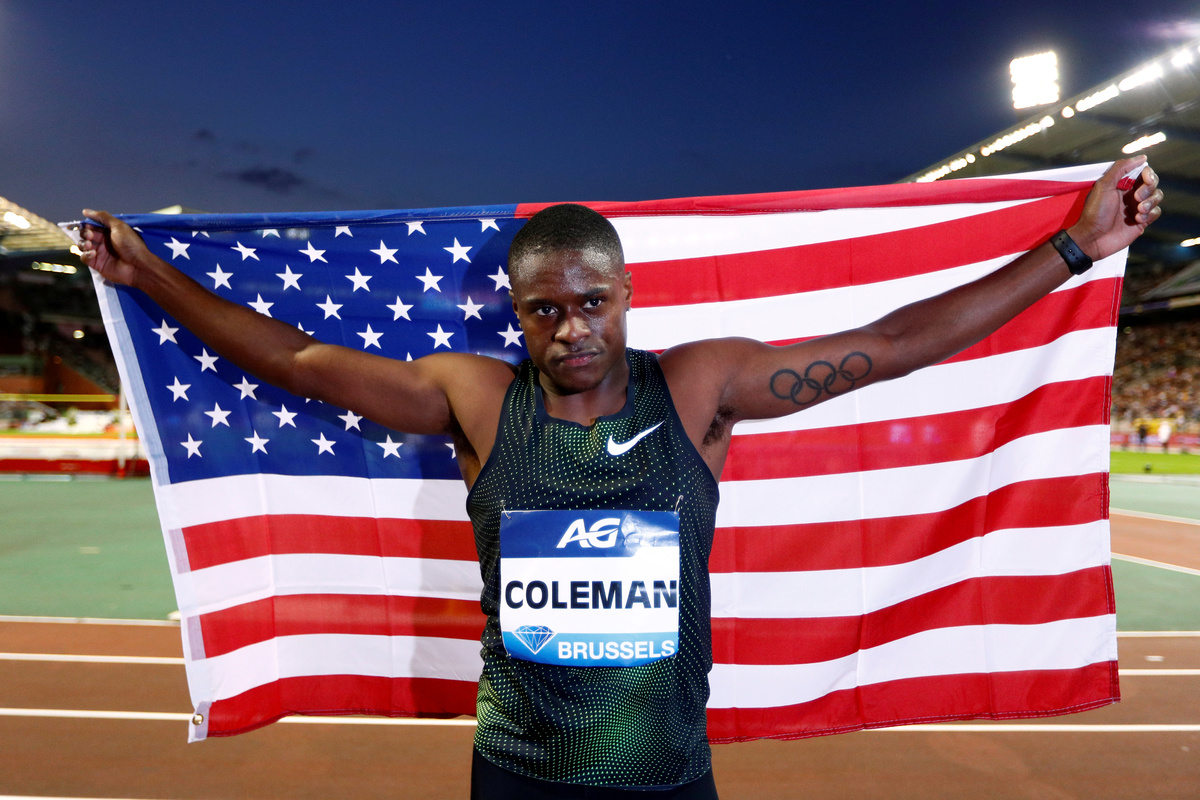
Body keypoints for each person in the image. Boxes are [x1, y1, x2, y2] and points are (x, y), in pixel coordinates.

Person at [81, 156, 1162, 798]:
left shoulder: (697, 388)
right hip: (517, 775)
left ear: (627, 294)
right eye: (544, 310)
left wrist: (1074, 249)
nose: (571, 328)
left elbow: (891, 345)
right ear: (517, 314)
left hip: (667, 778)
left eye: (591, 301)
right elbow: (303, 361)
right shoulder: (479, 399)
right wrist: (151, 276)